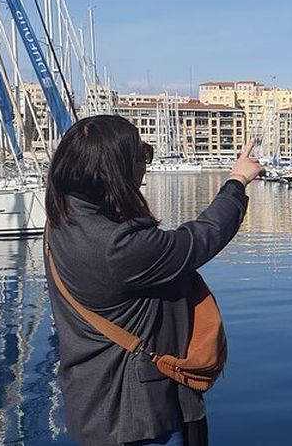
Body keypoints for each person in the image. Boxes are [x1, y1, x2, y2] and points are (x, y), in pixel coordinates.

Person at [44, 115, 264, 446]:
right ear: (116, 169)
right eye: (143, 153)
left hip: (92, 406)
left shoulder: (62, 222)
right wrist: (236, 181)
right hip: (142, 417)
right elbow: (200, 239)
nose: (147, 162)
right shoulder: (118, 246)